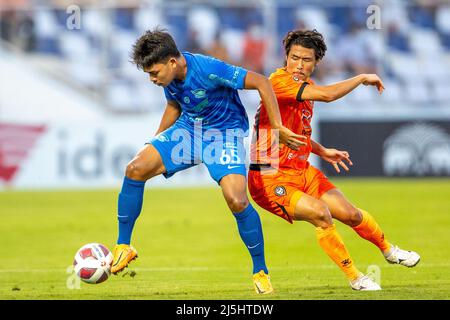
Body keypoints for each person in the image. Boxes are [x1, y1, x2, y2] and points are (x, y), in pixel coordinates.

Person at [110, 28, 304, 294]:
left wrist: (278, 129)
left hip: (224, 135)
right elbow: (175, 106)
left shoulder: (210, 69)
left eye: (154, 73)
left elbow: (261, 82)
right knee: (135, 168)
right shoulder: (170, 79)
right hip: (189, 131)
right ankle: (123, 246)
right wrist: (155, 143)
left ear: (172, 62)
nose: (152, 79)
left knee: (237, 200)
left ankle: (260, 271)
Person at [248, 29, 420, 291]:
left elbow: (295, 134)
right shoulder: (278, 82)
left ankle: (389, 250)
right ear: (286, 57)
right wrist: (362, 76)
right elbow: (329, 95)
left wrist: (322, 151)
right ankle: (356, 278)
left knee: (350, 214)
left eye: (307, 60)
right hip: (268, 174)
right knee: (321, 214)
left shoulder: (306, 90)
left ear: (316, 63)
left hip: (300, 169)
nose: (299, 65)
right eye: (294, 58)